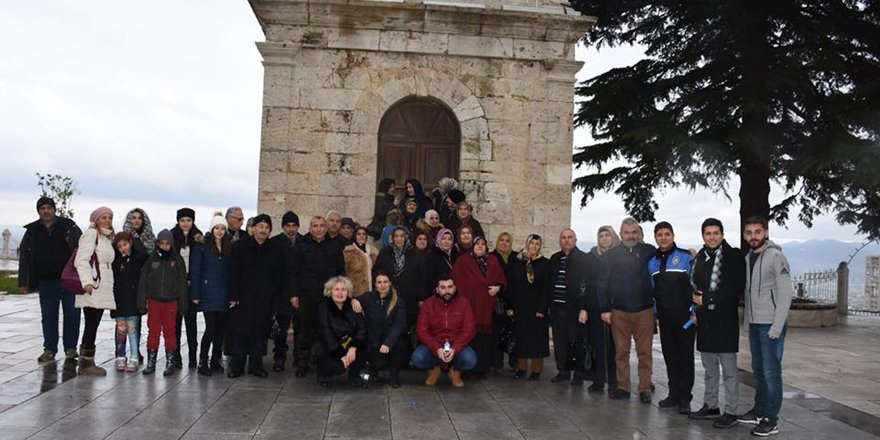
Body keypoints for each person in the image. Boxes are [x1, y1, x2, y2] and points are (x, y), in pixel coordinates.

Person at [738, 216, 793, 437]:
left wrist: (776, 327)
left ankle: (771, 418)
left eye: (757, 232)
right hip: (754, 323)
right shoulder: (748, 258)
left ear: (766, 233)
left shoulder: (776, 257)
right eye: (749, 232)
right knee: (758, 371)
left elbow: (785, 295)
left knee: (772, 373)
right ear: (745, 236)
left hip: (770, 324)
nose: (754, 236)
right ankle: (759, 410)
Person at [689, 218, 745, 429]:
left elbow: (736, 288)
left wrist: (708, 299)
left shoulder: (733, 256)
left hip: (725, 320)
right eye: (708, 233)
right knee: (710, 368)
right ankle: (711, 405)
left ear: (722, 234)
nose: (712, 237)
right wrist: (695, 304)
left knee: (729, 370)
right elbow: (694, 285)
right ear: (703, 235)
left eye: (715, 233)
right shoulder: (699, 259)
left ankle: (731, 411)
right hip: (705, 321)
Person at [597, 218, 657, 403]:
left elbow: (666, 257)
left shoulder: (649, 251)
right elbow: (603, 282)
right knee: (621, 351)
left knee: (644, 352)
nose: (630, 236)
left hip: (644, 310)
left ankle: (645, 387)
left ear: (639, 234)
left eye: (634, 232)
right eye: (626, 232)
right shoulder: (611, 255)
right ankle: (623, 386)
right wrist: (605, 309)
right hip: (619, 311)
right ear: (621, 234)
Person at [18, 197, 83, 364]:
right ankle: (49, 349)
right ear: (38, 211)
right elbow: (25, 256)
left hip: (69, 280)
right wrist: (23, 281)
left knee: (72, 314)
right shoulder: (32, 231)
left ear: (54, 209)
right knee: (48, 316)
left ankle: (70, 348)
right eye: (42, 208)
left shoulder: (68, 226)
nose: (46, 211)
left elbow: (82, 251)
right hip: (46, 281)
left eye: (49, 207)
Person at [226, 214, 286, 378]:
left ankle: (255, 365)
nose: (263, 230)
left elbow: (278, 275)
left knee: (260, 333)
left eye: (267, 228)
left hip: (264, 299)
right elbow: (233, 273)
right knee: (240, 333)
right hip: (242, 298)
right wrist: (233, 296)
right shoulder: (239, 247)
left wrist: (275, 295)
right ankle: (236, 365)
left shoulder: (275, 249)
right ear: (254, 228)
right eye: (260, 227)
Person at [648, 222, 696, 414]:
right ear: (655, 238)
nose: (664, 237)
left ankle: (685, 397)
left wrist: (694, 313)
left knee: (685, 357)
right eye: (660, 235)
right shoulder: (651, 262)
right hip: (665, 319)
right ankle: (674, 394)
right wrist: (655, 314)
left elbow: (696, 286)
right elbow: (652, 291)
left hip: (685, 319)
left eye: (667, 234)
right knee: (670, 357)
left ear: (673, 236)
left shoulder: (686, 257)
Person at [291, 216, 346, 378]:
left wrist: (339, 294)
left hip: (327, 297)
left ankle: (322, 363)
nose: (319, 229)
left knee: (325, 331)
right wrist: (294, 294)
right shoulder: (301, 247)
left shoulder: (335, 247)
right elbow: (294, 273)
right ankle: (302, 364)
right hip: (306, 296)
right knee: (304, 331)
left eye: (322, 226)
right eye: (315, 226)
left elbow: (340, 272)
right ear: (310, 228)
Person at [451, 236, 506, 377]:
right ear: (472, 246)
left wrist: (498, 288)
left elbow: (501, 279)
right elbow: (455, 282)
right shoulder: (463, 261)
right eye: (477, 244)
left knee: (484, 340)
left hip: (487, 310)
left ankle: (482, 368)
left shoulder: (492, 261)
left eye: (483, 244)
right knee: (469, 337)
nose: (480, 246)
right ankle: (467, 368)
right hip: (469, 308)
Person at [137, 229, 188, 376]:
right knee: (153, 332)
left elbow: (182, 284)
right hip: (154, 301)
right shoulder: (151, 260)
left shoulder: (177, 260)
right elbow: (143, 282)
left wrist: (183, 304)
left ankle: (170, 362)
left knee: (169, 332)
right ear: (157, 243)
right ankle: (151, 362)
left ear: (171, 244)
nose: (165, 246)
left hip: (171, 302)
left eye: (167, 243)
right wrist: (142, 302)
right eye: (162, 243)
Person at [73, 207, 117, 376]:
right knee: (91, 323)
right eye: (103, 217)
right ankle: (85, 364)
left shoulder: (106, 237)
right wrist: (86, 282)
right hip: (92, 286)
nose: (107, 220)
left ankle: (86, 361)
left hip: (103, 285)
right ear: (96, 220)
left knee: (94, 323)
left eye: (110, 217)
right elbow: (81, 260)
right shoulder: (91, 234)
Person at [412, 275, 476, 388]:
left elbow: (469, 329)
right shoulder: (428, 304)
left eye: (450, 287)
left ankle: (455, 372)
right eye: (443, 287)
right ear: (437, 289)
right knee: (418, 358)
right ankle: (434, 370)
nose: (447, 291)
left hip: (456, 343)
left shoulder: (464, 303)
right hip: (434, 343)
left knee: (470, 360)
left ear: (455, 288)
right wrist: (437, 348)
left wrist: (454, 348)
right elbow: (422, 330)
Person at [577, 226, 620, 393]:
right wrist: (583, 308)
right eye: (601, 236)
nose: (604, 239)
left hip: (616, 307)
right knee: (598, 345)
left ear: (613, 237)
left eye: (607, 235)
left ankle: (616, 381)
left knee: (616, 346)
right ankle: (599, 380)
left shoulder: (620, 255)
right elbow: (584, 283)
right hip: (595, 307)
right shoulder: (590, 258)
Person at [189, 212, 232, 376]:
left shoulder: (229, 247)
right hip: (208, 293)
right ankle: (202, 361)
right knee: (211, 328)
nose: (219, 231)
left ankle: (215, 360)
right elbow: (196, 271)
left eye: (222, 228)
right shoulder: (202, 246)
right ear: (212, 229)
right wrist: (195, 294)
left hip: (223, 293)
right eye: (217, 228)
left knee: (220, 330)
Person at [548, 228, 591, 386]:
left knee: (576, 341)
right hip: (557, 308)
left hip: (575, 309)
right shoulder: (555, 258)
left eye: (570, 237)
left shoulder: (584, 259)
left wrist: (584, 308)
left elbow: (586, 284)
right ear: (560, 241)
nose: (566, 240)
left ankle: (578, 374)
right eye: (563, 238)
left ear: (575, 240)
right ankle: (563, 371)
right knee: (559, 342)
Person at [508, 234, 551, 380]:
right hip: (520, 306)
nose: (534, 246)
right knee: (522, 340)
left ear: (540, 246)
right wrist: (511, 306)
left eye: (537, 243)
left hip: (537, 308)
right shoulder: (518, 261)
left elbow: (547, 288)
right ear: (527, 244)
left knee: (536, 341)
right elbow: (512, 285)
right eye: (531, 243)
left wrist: (542, 308)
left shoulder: (545, 263)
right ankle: (521, 369)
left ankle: (536, 371)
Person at [314, 276, 368, 388]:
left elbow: (362, 330)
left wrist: (353, 347)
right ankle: (322, 373)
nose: (340, 293)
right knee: (337, 367)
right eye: (336, 289)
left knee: (363, 351)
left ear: (348, 292)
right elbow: (325, 332)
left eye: (343, 290)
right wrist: (341, 356)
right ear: (329, 291)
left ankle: (354, 377)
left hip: (348, 344)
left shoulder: (353, 305)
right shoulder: (323, 307)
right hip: (329, 347)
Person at [374, 226, 428, 329]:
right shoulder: (385, 253)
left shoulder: (415, 253)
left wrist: (422, 297)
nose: (399, 239)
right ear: (392, 238)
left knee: (408, 326)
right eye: (396, 236)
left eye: (402, 236)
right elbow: (376, 272)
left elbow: (422, 277)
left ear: (406, 237)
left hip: (410, 297)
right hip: (389, 297)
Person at [360, 272, 408, 388]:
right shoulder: (368, 297)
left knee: (401, 345)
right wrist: (354, 301)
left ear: (390, 283)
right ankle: (372, 370)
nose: (382, 285)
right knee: (377, 363)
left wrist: (388, 343)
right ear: (375, 285)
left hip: (390, 342)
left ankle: (394, 376)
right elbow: (353, 299)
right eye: (379, 282)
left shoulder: (398, 301)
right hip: (374, 342)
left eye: (385, 282)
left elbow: (399, 324)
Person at [269, 210, 302, 372]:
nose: (291, 229)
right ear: (283, 227)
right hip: (282, 293)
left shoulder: (303, 242)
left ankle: (298, 358)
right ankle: (279, 357)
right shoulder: (275, 243)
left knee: (300, 329)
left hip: (300, 292)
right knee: (281, 330)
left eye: (293, 225)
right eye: (287, 226)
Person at [171, 207, 203, 369]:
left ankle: (192, 356)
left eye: (188, 220)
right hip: (176, 285)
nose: (185, 223)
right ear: (178, 221)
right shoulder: (171, 237)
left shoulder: (198, 238)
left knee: (191, 323)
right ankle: (176, 357)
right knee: (175, 323)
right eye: (182, 220)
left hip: (191, 285)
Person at [111, 232, 147, 372]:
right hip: (119, 302)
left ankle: (133, 356)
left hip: (133, 302)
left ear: (130, 244)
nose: (123, 248)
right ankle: (120, 356)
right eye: (119, 247)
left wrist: (136, 239)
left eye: (125, 245)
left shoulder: (136, 259)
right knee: (121, 331)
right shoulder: (116, 262)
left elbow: (143, 254)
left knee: (133, 331)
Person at [491, 231, 518, 371]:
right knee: (497, 333)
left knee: (514, 332)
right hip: (497, 302)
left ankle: (514, 362)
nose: (504, 243)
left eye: (507, 240)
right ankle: (497, 363)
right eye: (501, 240)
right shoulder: (491, 257)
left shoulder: (516, 257)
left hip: (513, 301)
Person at [343, 226, 379, 297]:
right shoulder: (348, 252)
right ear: (354, 236)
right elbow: (345, 272)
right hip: (356, 292)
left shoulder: (373, 252)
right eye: (358, 234)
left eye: (363, 234)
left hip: (373, 291)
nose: (361, 236)